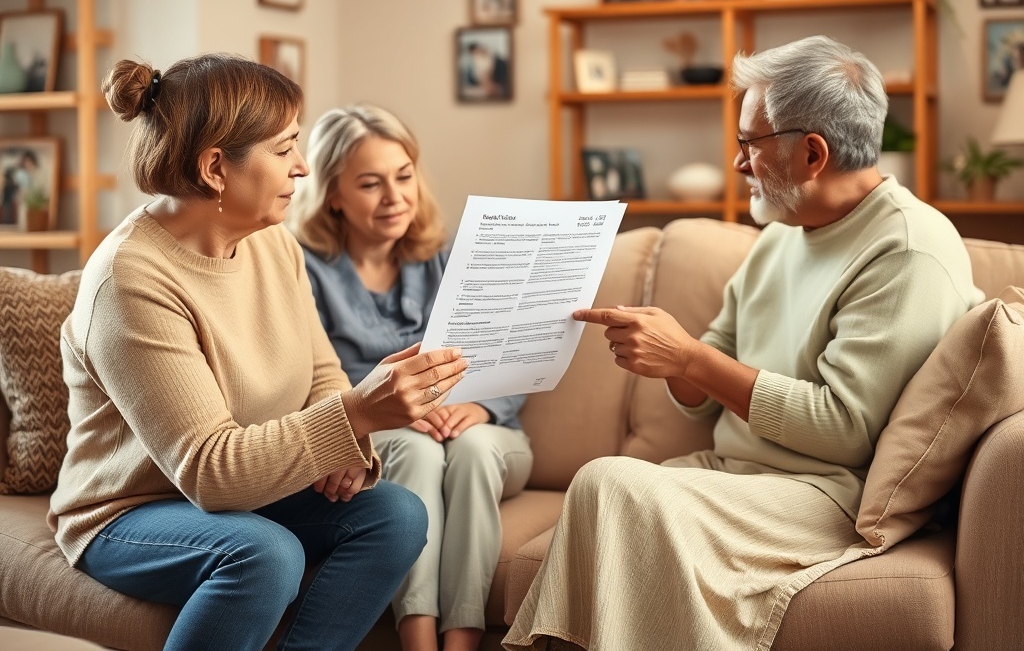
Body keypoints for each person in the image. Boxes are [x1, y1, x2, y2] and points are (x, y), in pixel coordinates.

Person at [503, 35, 984, 651]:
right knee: (608, 495)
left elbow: (843, 428)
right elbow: (705, 385)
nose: (737, 163)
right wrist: (667, 355)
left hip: (825, 491)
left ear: (813, 153)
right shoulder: (783, 234)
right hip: (736, 474)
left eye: (749, 144)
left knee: (609, 485)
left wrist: (690, 358)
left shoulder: (909, 249)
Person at [47, 53, 469, 651]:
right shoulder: (130, 279)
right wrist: (356, 415)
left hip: (254, 484)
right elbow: (210, 473)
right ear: (216, 167)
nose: (302, 168)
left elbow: (321, 368)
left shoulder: (274, 242)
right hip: (130, 512)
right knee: (266, 553)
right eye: (284, 149)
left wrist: (342, 444)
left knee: (396, 515)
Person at [289, 104, 533, 651]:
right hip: (384, 433)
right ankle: (418, 636)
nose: (395, 197)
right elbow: (310, 374)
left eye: (403, 177)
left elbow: (507, 355)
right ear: (332, 193)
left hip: (478, 428)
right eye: (371, 184)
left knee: (470, 452)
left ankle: (464, 637)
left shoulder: (450, 262)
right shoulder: (302, 270)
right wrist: (400, 409)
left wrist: (483, 407)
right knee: (418, 456)